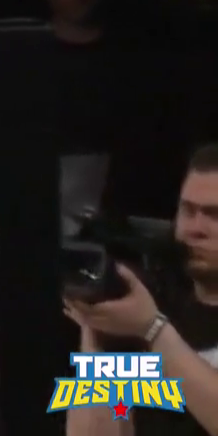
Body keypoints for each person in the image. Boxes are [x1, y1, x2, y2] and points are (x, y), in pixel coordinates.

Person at [63, 143, 218, 436]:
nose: (195, 228)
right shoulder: (156, 311)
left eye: (214, 215)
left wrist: (153, 330)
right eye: (188, 211)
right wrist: (97, 333)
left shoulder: (151, 322)